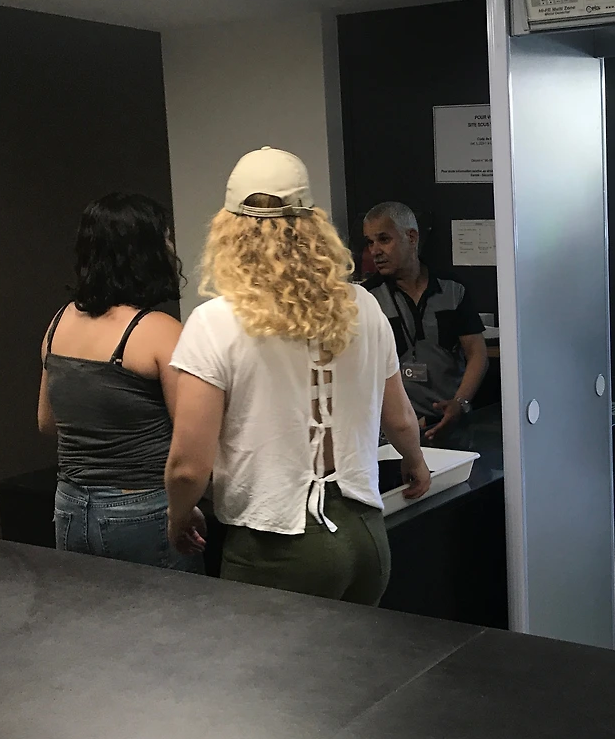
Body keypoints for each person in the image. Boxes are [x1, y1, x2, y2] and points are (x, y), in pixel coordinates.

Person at [164, 147, 431, 604]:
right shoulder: (364, 306)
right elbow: (401, 419)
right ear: (313, 226)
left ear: (229, 231)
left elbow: (189, 465)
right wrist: (415, 461)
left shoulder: (214, 322)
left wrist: (178, 515)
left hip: (277, 547)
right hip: (365, 537)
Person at [37, 193, 202, 572]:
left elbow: (47, 423)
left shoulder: (58, 323)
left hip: (70, 507)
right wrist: (185, 508)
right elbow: (190, 443)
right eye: (166, 238)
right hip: (142, 511)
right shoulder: (160, 331)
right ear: (146, 251)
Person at [362, 202, 488, 441]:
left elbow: (477, 352)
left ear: (411, 237)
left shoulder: (452, 289)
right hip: (394, 431)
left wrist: (460, 403)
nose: (375, 251)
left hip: (451, 424)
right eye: (370, 242)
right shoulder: (367, 298)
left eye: (384, 239)